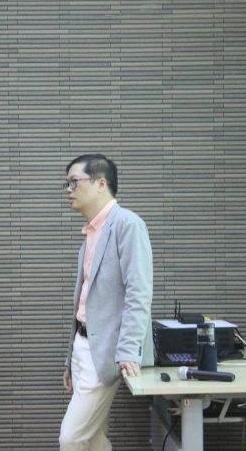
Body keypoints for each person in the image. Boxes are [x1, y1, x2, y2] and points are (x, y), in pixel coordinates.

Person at [59, 154, 154, 451]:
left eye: (74, 182)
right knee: (94, 437)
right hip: (82, 346)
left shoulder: (127, 224)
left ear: (101, 183)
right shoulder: (91, 232)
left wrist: (128, 350)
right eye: (67, 184)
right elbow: (85, 303)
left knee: (71, 438)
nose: (69, 190)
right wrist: (70, 360)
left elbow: (138, 292)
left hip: (105, 352)